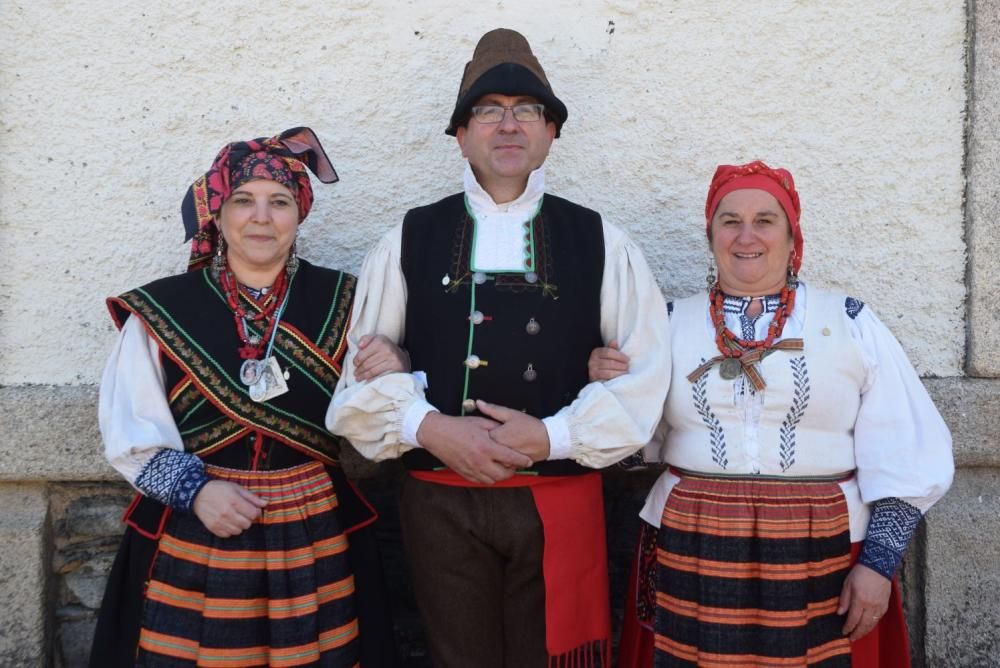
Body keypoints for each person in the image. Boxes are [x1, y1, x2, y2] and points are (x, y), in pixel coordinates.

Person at [328, 29, 670, 668]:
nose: (508, 125)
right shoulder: (408, 237)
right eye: (488, 110)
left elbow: (643, 381)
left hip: (559, 496)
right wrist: (428, 426)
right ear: (461, 133)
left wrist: (553, 437)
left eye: (527, 111)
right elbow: (360, 377)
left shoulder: (603, 242)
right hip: (439, 498)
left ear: (551, 132)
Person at [589, 161, 954, 667]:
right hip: (687, 546)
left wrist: (877, 564)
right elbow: (626, 451)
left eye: (765, 220)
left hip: (826, 549)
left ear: (791, 235)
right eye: (729, 220)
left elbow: (908, 452)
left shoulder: (849, 320)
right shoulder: (666, 323)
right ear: (710, 234)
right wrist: (604, 390)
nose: (746, 236)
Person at [90, 127, 403, 667]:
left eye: (279, 201)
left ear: (299, 213)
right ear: (219, 212)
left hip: (314, 527)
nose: (261, 217)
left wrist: (397, 369)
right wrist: (196, 492)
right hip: (199, 524)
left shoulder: (349, 302)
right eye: (243, 200)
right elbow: (130, 432)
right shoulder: (163, 311)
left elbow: (379, 413)